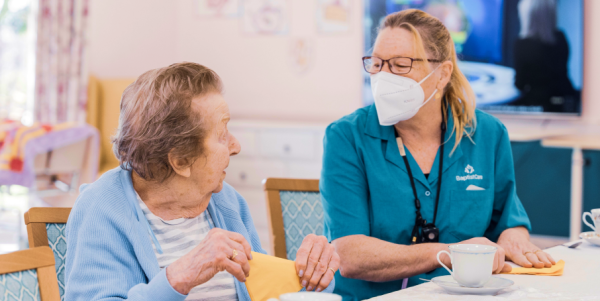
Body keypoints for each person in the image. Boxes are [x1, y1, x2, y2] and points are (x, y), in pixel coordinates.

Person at [320, 9, 555, 301]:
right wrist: (449, 253)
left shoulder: (487, 134)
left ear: (442, 73)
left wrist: (514, 240)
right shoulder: (347, 137)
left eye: (400, 65)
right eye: (377, 64)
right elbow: (351, 255)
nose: (383, 77)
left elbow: (509, 221)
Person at [65, 62, 339, 300]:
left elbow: (264, 291)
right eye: (222, 134)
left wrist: (312, 277)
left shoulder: (225, 200)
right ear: (180, 160)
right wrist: (180, 277)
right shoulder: (102, 208)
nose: (235, 145)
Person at [513, 0, 578, 112]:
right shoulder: (560, 38)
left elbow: (520, 84)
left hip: (537, 104)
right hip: (566, 99)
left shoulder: (522, 44)